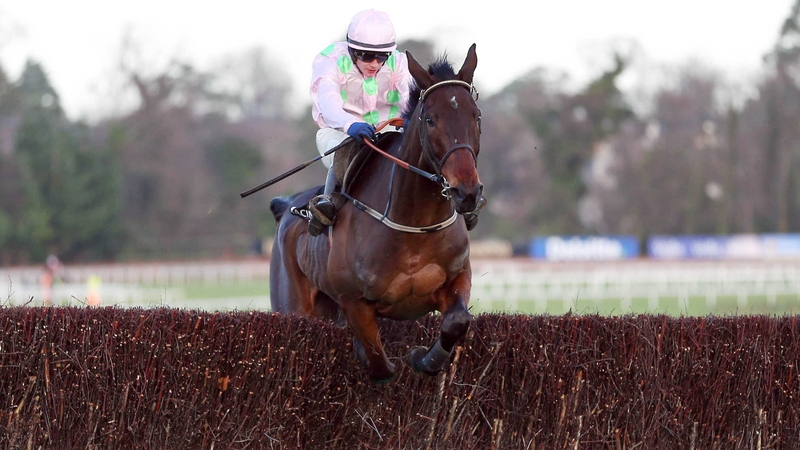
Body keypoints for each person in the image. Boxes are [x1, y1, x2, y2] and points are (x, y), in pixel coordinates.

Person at [306, 9, 412, 236]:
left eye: (382, 57)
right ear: (352, 50)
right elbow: (328, 102)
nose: (375, 63)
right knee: (351, 150)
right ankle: (326, 205)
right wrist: (350, 125)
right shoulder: (330, 60)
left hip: (389, 132)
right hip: (338, 133)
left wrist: (405, 123)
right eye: (366, 55)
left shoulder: (399, 63)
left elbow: (410, 97)